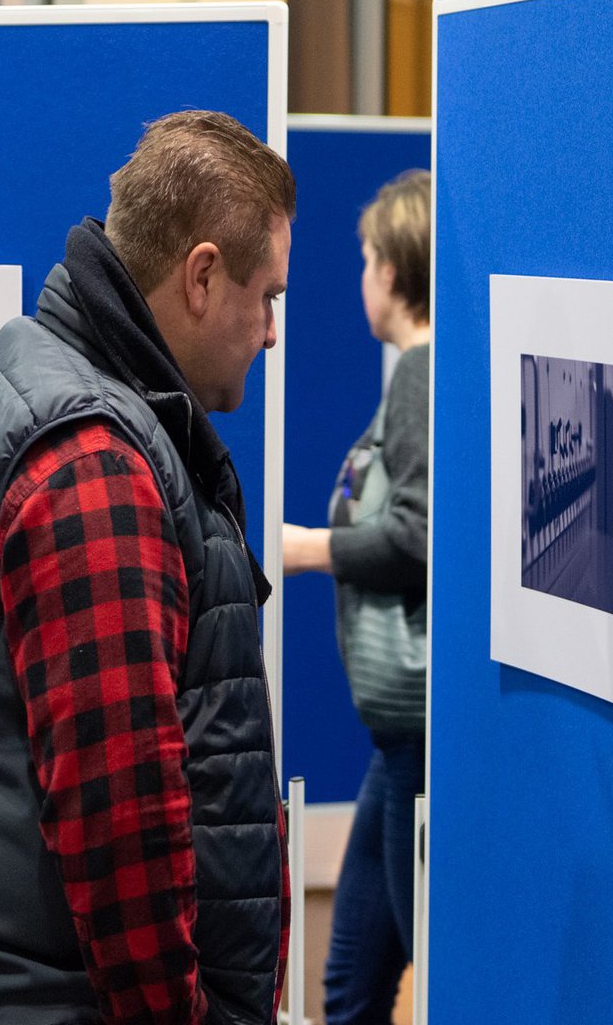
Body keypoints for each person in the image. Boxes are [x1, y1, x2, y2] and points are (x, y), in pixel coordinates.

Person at [0, 110, 295, 1025]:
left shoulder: (36, 370)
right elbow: (118, 823)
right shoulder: (96, 459)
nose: (273, 331)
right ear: (202, 276)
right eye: (269, 297)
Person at [282, 170, 431, 1025]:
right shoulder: (417, 372)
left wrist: (309, 549)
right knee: (352, 984)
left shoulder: (416, 374)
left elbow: (417, 537)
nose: (362, 274)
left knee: (427, 972)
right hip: (397, 740)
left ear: (394, 268)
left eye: (369, 256)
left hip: (412, 734)